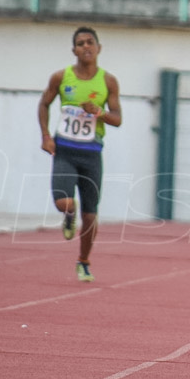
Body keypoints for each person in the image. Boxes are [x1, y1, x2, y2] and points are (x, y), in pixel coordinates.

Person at [38, 26, 122, 282]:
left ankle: (84, 261)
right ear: (74, 50)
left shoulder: (108, 81)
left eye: (90, 42)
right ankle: (68, 215)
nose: (86, 47)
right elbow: (44, 103)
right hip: (65, 150)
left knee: (91, 215)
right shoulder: (61, 77)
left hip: (91, 155)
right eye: (80, 43)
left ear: (99, 48)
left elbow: (117, 120)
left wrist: (99, 113)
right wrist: (45, 136)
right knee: (64, 202)